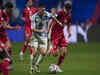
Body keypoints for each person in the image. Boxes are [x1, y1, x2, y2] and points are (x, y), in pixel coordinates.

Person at [49, 3, 72, 72]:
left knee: (64, 52)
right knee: (55, 54)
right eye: (67, 9)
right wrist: (58, 22)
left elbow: (68, 25)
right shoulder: (60, 13)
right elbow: (53, 18)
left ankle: (57, 66)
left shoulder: (69, 15)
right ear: (65, 8)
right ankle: (51, 48)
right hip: (55, 34)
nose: (68, 11)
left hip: (61, 34)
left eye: (69, 10)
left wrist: (69, 32)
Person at [30, 4, 51, 73]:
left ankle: (37, 65)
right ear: (39, 9)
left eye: (44, 10)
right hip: (35, 36)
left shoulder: (46, 14)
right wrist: (40, 31)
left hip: (43, 36)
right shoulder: (33, 17)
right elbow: (32, 29)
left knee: (44, 52)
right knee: (35, 52)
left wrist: (48, 27)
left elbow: (54, 17)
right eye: (42, 10)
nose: (44, 11)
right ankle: (31, 67)